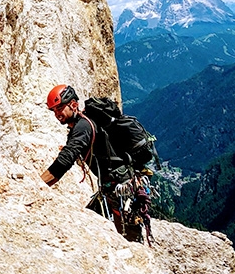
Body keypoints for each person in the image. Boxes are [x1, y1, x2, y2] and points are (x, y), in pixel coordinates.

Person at [41, 84, 152, 245]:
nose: (57, 114)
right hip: (115, 185)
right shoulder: (83, 123)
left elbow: (64, 162)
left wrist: (37, 185)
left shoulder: (82, 127)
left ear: (73, 104)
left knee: (128, 239)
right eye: (54, 110)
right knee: (90, 227)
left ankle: (140, 264)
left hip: (120, 188)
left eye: (60, 108)